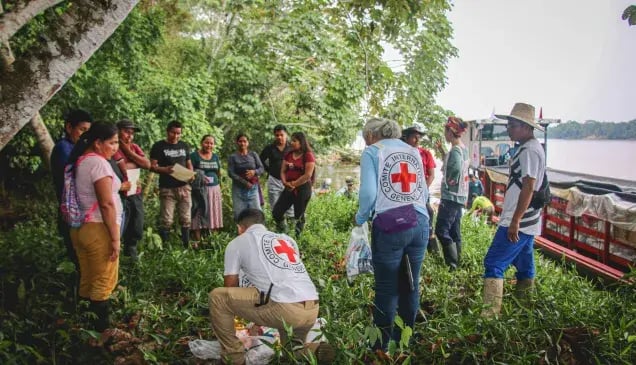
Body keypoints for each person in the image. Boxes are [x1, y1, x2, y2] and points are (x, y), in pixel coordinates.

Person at [208, 208, 334, 364]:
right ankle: (315, 349)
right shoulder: (284, 239)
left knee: (218, 297)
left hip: (285, 309)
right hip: (311, 308)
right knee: (291, 352)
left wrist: (237, 318)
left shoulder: (238, 242)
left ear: (240, 227)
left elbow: (230, 287)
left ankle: (234, 358)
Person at [354, 117, 429, 353]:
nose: (366, 141)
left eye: (366, 136)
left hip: (391, 225)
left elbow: (368, 193)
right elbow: (424, 192)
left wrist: (360, 218)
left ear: (373, 135)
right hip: (420, 222)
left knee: (387, 288)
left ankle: (381, 346)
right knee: (411, 283)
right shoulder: (413, 151)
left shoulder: (372, 152)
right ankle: (405, 340)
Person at [482, 103, 546, 318]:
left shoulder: (529, 150)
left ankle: (490, 315)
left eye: (511, 125)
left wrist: (515, 220)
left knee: (493, 263)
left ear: (525, 127)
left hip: (520, 220)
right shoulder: (531, 148)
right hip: (530, 221)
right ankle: (524, 308)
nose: (508, 129)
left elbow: (529, 186)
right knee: (525, 265)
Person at [67, 122, 122, 332]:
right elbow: (106, 204)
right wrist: (115, 239)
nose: (116, 147)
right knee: (103, 283)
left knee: (88, 280)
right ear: (98, 143)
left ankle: (83, 329)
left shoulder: (82, 161)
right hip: (100, 229)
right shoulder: (98, 164)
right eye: (112, 142)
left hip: (82, 228)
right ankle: (101, 333)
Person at [51, 109, 93, 270]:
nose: (85, 136)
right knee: (79, 259)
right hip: (71, 212)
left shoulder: (76, 149)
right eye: (82, 130)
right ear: (69, 128)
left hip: (77, 212)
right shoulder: (64, 148)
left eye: (88, 132)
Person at [150, 120, 193, 247]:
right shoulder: (159, 146)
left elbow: (188, 162)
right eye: (173, 133)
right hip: (167, 188)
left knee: (186, 218)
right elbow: (152, 166)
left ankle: (186, 245)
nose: (175, 136)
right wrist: (165, 170)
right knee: (166, 219)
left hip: (184, 186)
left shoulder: (184, 145)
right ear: (167, 131)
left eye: (178, 133)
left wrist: (191, 174)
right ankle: (165, 246)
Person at [435, 116, 470, 271]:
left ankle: (452, 264)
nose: (444, 134)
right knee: (454, 229)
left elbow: (454, 169)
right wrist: (442, 151)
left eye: (445, 131)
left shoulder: (455, 151)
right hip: (460, 196)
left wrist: (449, 182)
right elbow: (453, 164)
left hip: (451, 196)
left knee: (441, 230)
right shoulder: (463, 148)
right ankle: (458, 262)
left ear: (451, 131)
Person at [113, 119, 150, 261]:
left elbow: (146, 164)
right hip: (120, 193)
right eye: (126, 132)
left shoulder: (134, 147)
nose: (129, 136)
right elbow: (119, 168)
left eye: (132, 133)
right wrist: (135, 163)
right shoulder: (113, 147)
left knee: (137, 223)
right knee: (121, 224)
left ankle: (131, 256)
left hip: (136, 192)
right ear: (118, 131)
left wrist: (128, 152)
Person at [402, 123, 438, 254]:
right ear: (406, 138)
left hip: (422, 192)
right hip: (405, 192)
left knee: (429, 212)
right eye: (414, 137)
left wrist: (422, 190)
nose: (417, 140)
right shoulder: (400, 153)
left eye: (419, 137)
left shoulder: (425, 154)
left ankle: (431, 243)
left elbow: (432, 175)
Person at [273, 132, 315, 235]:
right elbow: (282, 171)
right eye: (291, 140)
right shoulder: (288, 154)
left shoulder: (308, 156)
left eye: (294, 141)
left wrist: (294, 184)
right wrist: (284, 182)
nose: (291, 143)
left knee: (299, 215)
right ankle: (284, 230)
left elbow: (307, 175)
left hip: (303, 189)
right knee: (277, 212)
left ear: (301, 142)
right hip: (288, 187)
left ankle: (298, 237)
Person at [190, 135, 223, 242]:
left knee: (214, 212)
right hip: (199, 189)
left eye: (211, 143)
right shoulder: (194, 156)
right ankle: (198, 240)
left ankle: (213, 240)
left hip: (214, 189)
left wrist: (219, 186)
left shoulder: (215, 157)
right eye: (206, 143)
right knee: (199, 211)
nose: (209, 145)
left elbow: (218, 172)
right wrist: (199, 176)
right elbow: (189, 172)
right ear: (201, 143)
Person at [228, 133, 264, 221]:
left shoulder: (253, 154)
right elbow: (231, 173)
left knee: (257, 212)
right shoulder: (233, 157)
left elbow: (261, 168)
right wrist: (244, 182)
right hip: (238, 189)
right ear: (237, 143)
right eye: (240, 141)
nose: (242, 143)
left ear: (248, 143)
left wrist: (254, 172)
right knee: (239, 213)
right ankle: (242, 232)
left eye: (245, 141)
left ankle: (259, 233)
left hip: (253, 187)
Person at [260, 125, 293, 216]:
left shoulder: (292, 147)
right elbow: (260, 160)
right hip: (274, 179)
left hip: (289, 180)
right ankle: (279, 226)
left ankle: (290, 227)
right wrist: (268, 170)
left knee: (290, 206)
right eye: (277, 135)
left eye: (281, 135)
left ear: (286, 134)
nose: (279, 137)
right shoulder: (270, 148)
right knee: (275, 206)